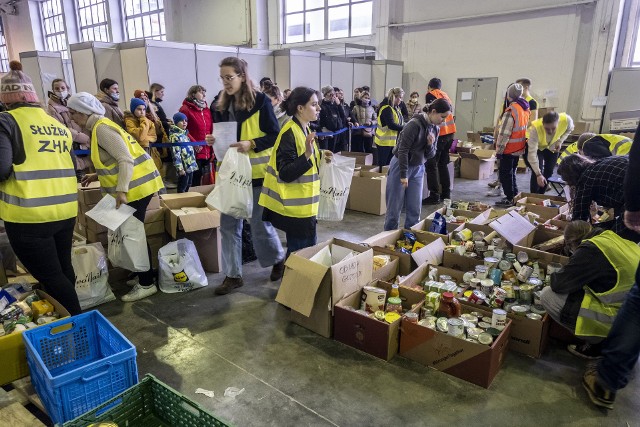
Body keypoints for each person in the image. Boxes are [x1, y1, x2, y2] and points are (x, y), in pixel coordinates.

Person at [0, 61, 81, 315]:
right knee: (62, 269)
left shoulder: (6, 121)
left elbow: (1, 169)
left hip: (29, 216)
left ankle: (80, 324)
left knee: (51, 275)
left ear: (6, 99)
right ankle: (63, 321)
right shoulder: (56, 125)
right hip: (65, 210)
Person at [68, 92, 164, 302]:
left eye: (73, 112)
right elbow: (114, 158)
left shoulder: (101, 129)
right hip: (137, 187)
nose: (72, 117)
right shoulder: (99, 127)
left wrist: (121, 191)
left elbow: (125, 159)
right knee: (133, 234)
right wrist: (96, 174)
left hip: (135, 189)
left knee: (133, 235)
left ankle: (147, 283)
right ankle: (142, 275)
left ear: (84, 112)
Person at [205, 57, 285, 295]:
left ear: (242, 75)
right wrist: (212, 139)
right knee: (228, 225)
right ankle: (233, 275)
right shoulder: (217, 105)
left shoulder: (260, 102)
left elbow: (274, 135)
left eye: (230, 77)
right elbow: (220, 135)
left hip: (257, 174)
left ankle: (277, 258)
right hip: (231, 175)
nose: (226, 82)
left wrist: (251, 143)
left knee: (259, 225)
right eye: (222, 78)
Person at [583, 123, 640, 410]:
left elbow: (580, 218)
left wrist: (632, 206)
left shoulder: (596, 244)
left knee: (638, 304)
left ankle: (608, 380)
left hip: (631, 210)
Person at [540, 220, 640, 359]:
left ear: (571, 244)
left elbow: (558, 284)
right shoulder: (608, 237)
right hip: (631, 313)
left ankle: (601, 344)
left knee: (547, 295)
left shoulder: (589, 250)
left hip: (626, 325)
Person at [260, 87, 333, 256]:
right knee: (299, 256)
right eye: (314, 104)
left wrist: (321, 155)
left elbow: (304, 157)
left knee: (305, 253)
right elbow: (285, 172)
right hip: (296, 210)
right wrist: (308, 154)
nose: (319, 108)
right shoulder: (290, 131)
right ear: (300, 108)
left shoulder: (304, 128)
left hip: (305, 208)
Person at [383, 99, 451, 231]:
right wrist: (403, 175)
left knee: (414, 209)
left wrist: (430, 145)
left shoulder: (435, 129)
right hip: (401, 166)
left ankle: (410, 240)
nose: (443, 121)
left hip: (418, 168)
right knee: (394, 209)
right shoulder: (413, 125)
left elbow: (431, 155)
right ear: (433, 111)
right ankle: (387, 239)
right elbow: (403, 150)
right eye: (442, 117)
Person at [558, 154, 639, 242]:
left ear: (571, 177)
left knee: (615, 242)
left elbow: (578, 218)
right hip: (634, 192)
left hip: (635, 200)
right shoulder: (601, 163)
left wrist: (569, 240)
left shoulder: (585, 180)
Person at [494, 83, 530, 206]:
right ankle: (514, 196)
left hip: (508, 149)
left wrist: (499, 151)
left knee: (505, 175)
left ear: (509, 95)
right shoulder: (524, 108)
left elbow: (504, 134)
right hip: (519, 147)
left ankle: (510, 197)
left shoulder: (511, 110)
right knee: (512, 173)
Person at [47, 78, 92, 176]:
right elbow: (60, 128)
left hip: (85, 145)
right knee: (79, 175)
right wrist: (82, 137)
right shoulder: (52, 108)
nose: (60, 91)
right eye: (57, 89)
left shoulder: (74, 103)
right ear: (53, 90)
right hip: (71, 145)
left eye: (63, 88)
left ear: (67, 88)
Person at [423, 78, 457, 204]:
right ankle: (446, 193)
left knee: (431, 164)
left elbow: (430, 114)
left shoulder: (430, 95)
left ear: (429, 87)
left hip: (440, 134)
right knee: (443, 163)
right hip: (450, 133)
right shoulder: (445, 95)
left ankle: (434, 195)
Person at [527, 111, 574, 193]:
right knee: (537, 171)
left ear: (558, 123)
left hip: (553, 145)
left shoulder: (567, 120)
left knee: (549, 171)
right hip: (538, 147)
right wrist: (538, 174)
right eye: (547, 128)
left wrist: (560, 141)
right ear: (543, 124)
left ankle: (541, 195)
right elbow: (532, 154)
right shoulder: (535, 129)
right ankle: (533, 196)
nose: (550, 131)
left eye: (553, 128)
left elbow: (569, 129)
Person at [180, 85, 213, 186]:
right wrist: (194, 144)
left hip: (208, 149)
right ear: (193, 94)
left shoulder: (207, 110)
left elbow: (211, 128)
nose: (204, 94)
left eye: (204, 92)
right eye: (201, 92)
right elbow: (182, 129)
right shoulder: (185, 109)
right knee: (195, 179)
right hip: (194, 151)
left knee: (207, 180)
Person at [374, 87, 405, 169]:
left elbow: (400, 122)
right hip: (384, 142)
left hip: (392, 142)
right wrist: (406, 127)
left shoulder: (395, 108)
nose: (401, 100)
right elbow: (391, 125)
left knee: (389, 167)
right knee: (383, 167)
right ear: (395, 97)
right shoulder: (386, 108)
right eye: (400, 97)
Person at [169, 112, 198, 193]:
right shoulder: (175, 136)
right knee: (182, 186)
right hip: (184, 168)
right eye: (181, 121)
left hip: (190, 166)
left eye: (186, 120)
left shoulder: (185, 135)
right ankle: (180, 202)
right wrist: (180, 169)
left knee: (189, 184)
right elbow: (176, 154)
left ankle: (186, 200)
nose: (184, 122)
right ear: (176, 122)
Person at [319, 85, 347, 152]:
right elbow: (319, 120)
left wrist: (339, 105)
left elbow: (343, 116)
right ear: (325, 95)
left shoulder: (335, 105)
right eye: (330, 94)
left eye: (333, 94)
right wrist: (321, 129)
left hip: (335, 132)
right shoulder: (321, 105)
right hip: (325, 133)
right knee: (325, 153)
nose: (332, 96)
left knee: (333, 152)